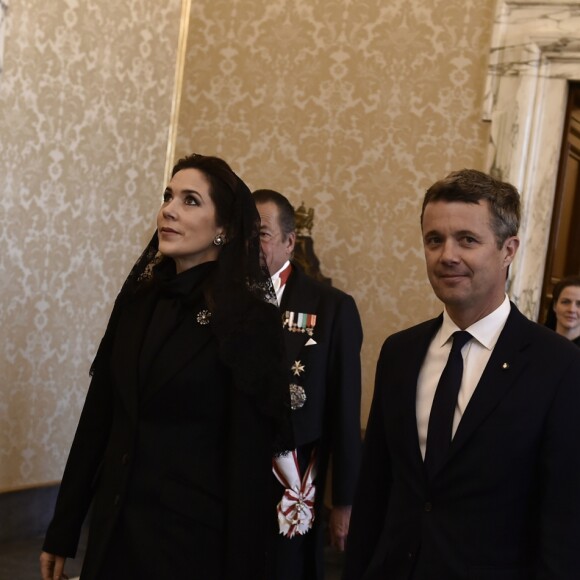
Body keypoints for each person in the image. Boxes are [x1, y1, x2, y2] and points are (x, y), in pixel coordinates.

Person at [40, 154, 292, 580]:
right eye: (168, 196)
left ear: (224, 229)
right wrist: (62, 531)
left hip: (189, 545)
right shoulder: (138, 304)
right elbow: (98, 420)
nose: (169, 210)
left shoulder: (249, 323)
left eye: (191, 201)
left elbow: (247, 466)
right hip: (114, 533)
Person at [344, 169, 580, 579]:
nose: (446, 255)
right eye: (434, 240)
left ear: (509, 249)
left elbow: (563, 518)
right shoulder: (399, 352)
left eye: (467, 240)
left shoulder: (558, 365)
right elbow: (376, 490)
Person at [252, 189, 363, 580]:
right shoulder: (218, 301)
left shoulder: (330, 307)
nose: (251, 245)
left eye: (262, 234)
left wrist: (345, 503)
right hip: (225, 478)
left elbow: (345, 412)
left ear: (289, 242)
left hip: (292, 483)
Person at [544, 275, 580, 346]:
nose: (571, 309)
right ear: (554, 306)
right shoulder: (537, 340)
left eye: (579, 304)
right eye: (565, 302)